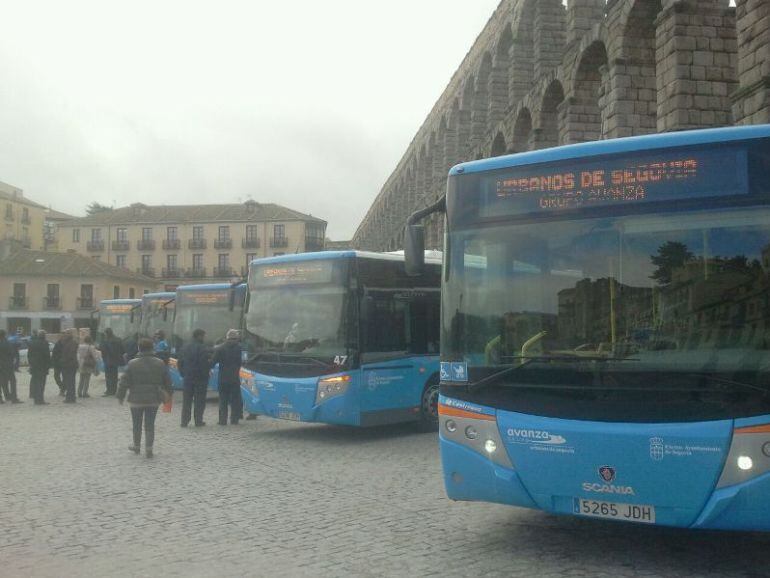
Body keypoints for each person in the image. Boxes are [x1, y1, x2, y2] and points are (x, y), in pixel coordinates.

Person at [117, 338, 173, 458]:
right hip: (154, 399)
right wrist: (169, 395)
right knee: (150, 424)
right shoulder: (160, 363)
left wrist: (120, 396)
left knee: (136, 423)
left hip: (136, 399)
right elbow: (167, 381)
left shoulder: (132, 363)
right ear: (152, 348)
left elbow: (124, 382)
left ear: (139, 348)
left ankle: (136, 446)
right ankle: (149, 448)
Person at [178, 328, 211, 427]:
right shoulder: (202, 347)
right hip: (200, 378)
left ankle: (184, 421)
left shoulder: (185, 347)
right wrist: (206, 375)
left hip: (188, 377)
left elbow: (180, 362)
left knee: (187, 400)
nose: (205, 338)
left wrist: (183, 373)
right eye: (204, 336)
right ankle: (198, 420)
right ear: (199, 336)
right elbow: (204, 364)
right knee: (199, 400)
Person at [212, 329, 244, 426]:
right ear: (236, 338)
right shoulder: (240, 348)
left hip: (223, 378)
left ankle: (222, 420)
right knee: (235, 399)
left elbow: (213, 361)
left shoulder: (220, 348)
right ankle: (234, 419)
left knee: (223, 399)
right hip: (235, 377)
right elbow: (242, 362)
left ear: (227, 337)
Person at [99, 328, 125, 396]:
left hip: (108, 360)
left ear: (107, 333)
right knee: (114, 376)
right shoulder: (118, 339)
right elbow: (123, 350)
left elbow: (102, 350)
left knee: (108, 376)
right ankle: (114, 390)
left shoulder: (105, 341)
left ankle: (109, 390)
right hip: (116, 360)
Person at [28, 330, 51, 405]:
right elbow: (47, 355)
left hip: (34, 366)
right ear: (44, 336)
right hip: (42, 366)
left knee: (35, 382)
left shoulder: (32, 343)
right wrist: (48, 365)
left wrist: (31, 364)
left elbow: (29, 355)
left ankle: (35, 398)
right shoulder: (45, 343)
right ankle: (40, 399)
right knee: (41, 383)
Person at [0, 330, 22, 403]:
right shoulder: (7, 343)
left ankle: (3, 398)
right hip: (8, 365)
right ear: (5, 334)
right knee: (12, 381)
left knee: (3, 382)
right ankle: (13, 398)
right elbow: (12, 353)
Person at [59, 329, 80, 403]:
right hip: (67, 364)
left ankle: (71, 397)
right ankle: (70, 397)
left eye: (67, 333)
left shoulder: (73, 343)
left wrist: (64, 360)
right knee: (68, 382)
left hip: (70, 365)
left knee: (70, 382)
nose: (65, 335)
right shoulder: (65, 342)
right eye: (65, 333)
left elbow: (71, 354)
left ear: (71, 335)